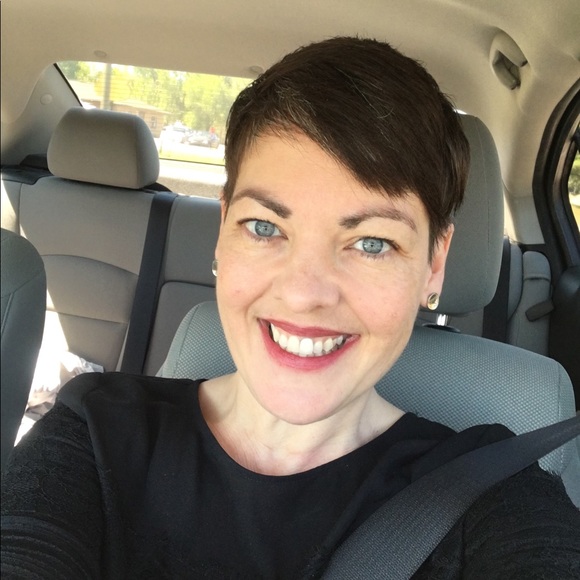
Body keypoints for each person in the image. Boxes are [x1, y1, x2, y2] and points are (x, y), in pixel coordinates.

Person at [2, 37, 579, 579]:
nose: (304, 293)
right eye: (264, 227)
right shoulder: (92, 431)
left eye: (371, 243)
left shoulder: (490, 492)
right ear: (223, 231)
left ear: (434, 262)